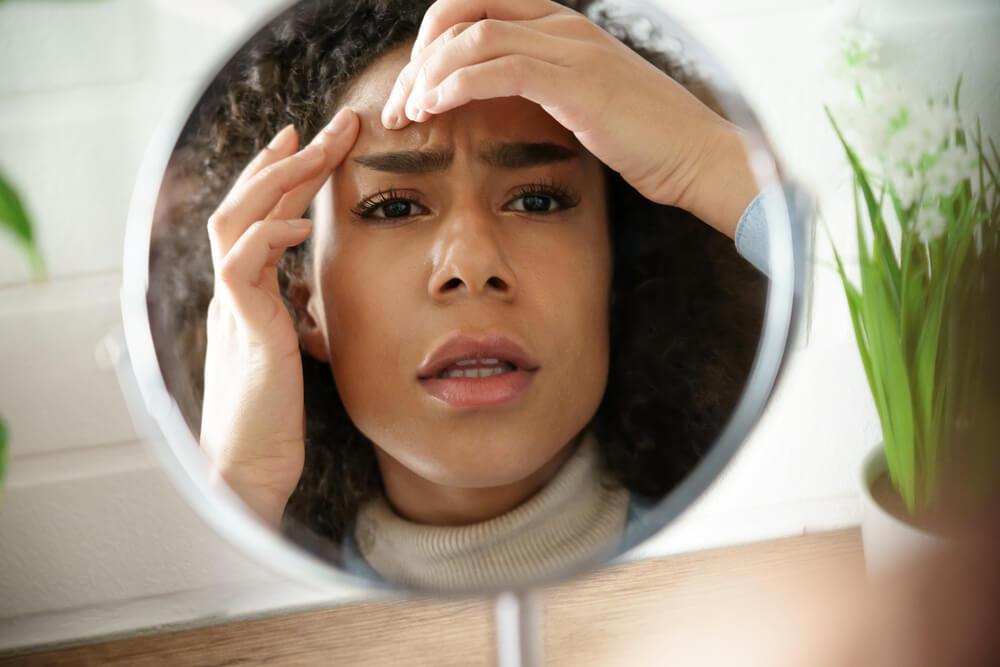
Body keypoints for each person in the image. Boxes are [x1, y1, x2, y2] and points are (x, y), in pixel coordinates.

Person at [149, 0, 774, 590]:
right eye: (393, 207)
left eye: (537, 200)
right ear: (301, 301)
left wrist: (703, 160)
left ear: (618, 265)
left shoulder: (760, 577)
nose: (473, 266)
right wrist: (239, 488)